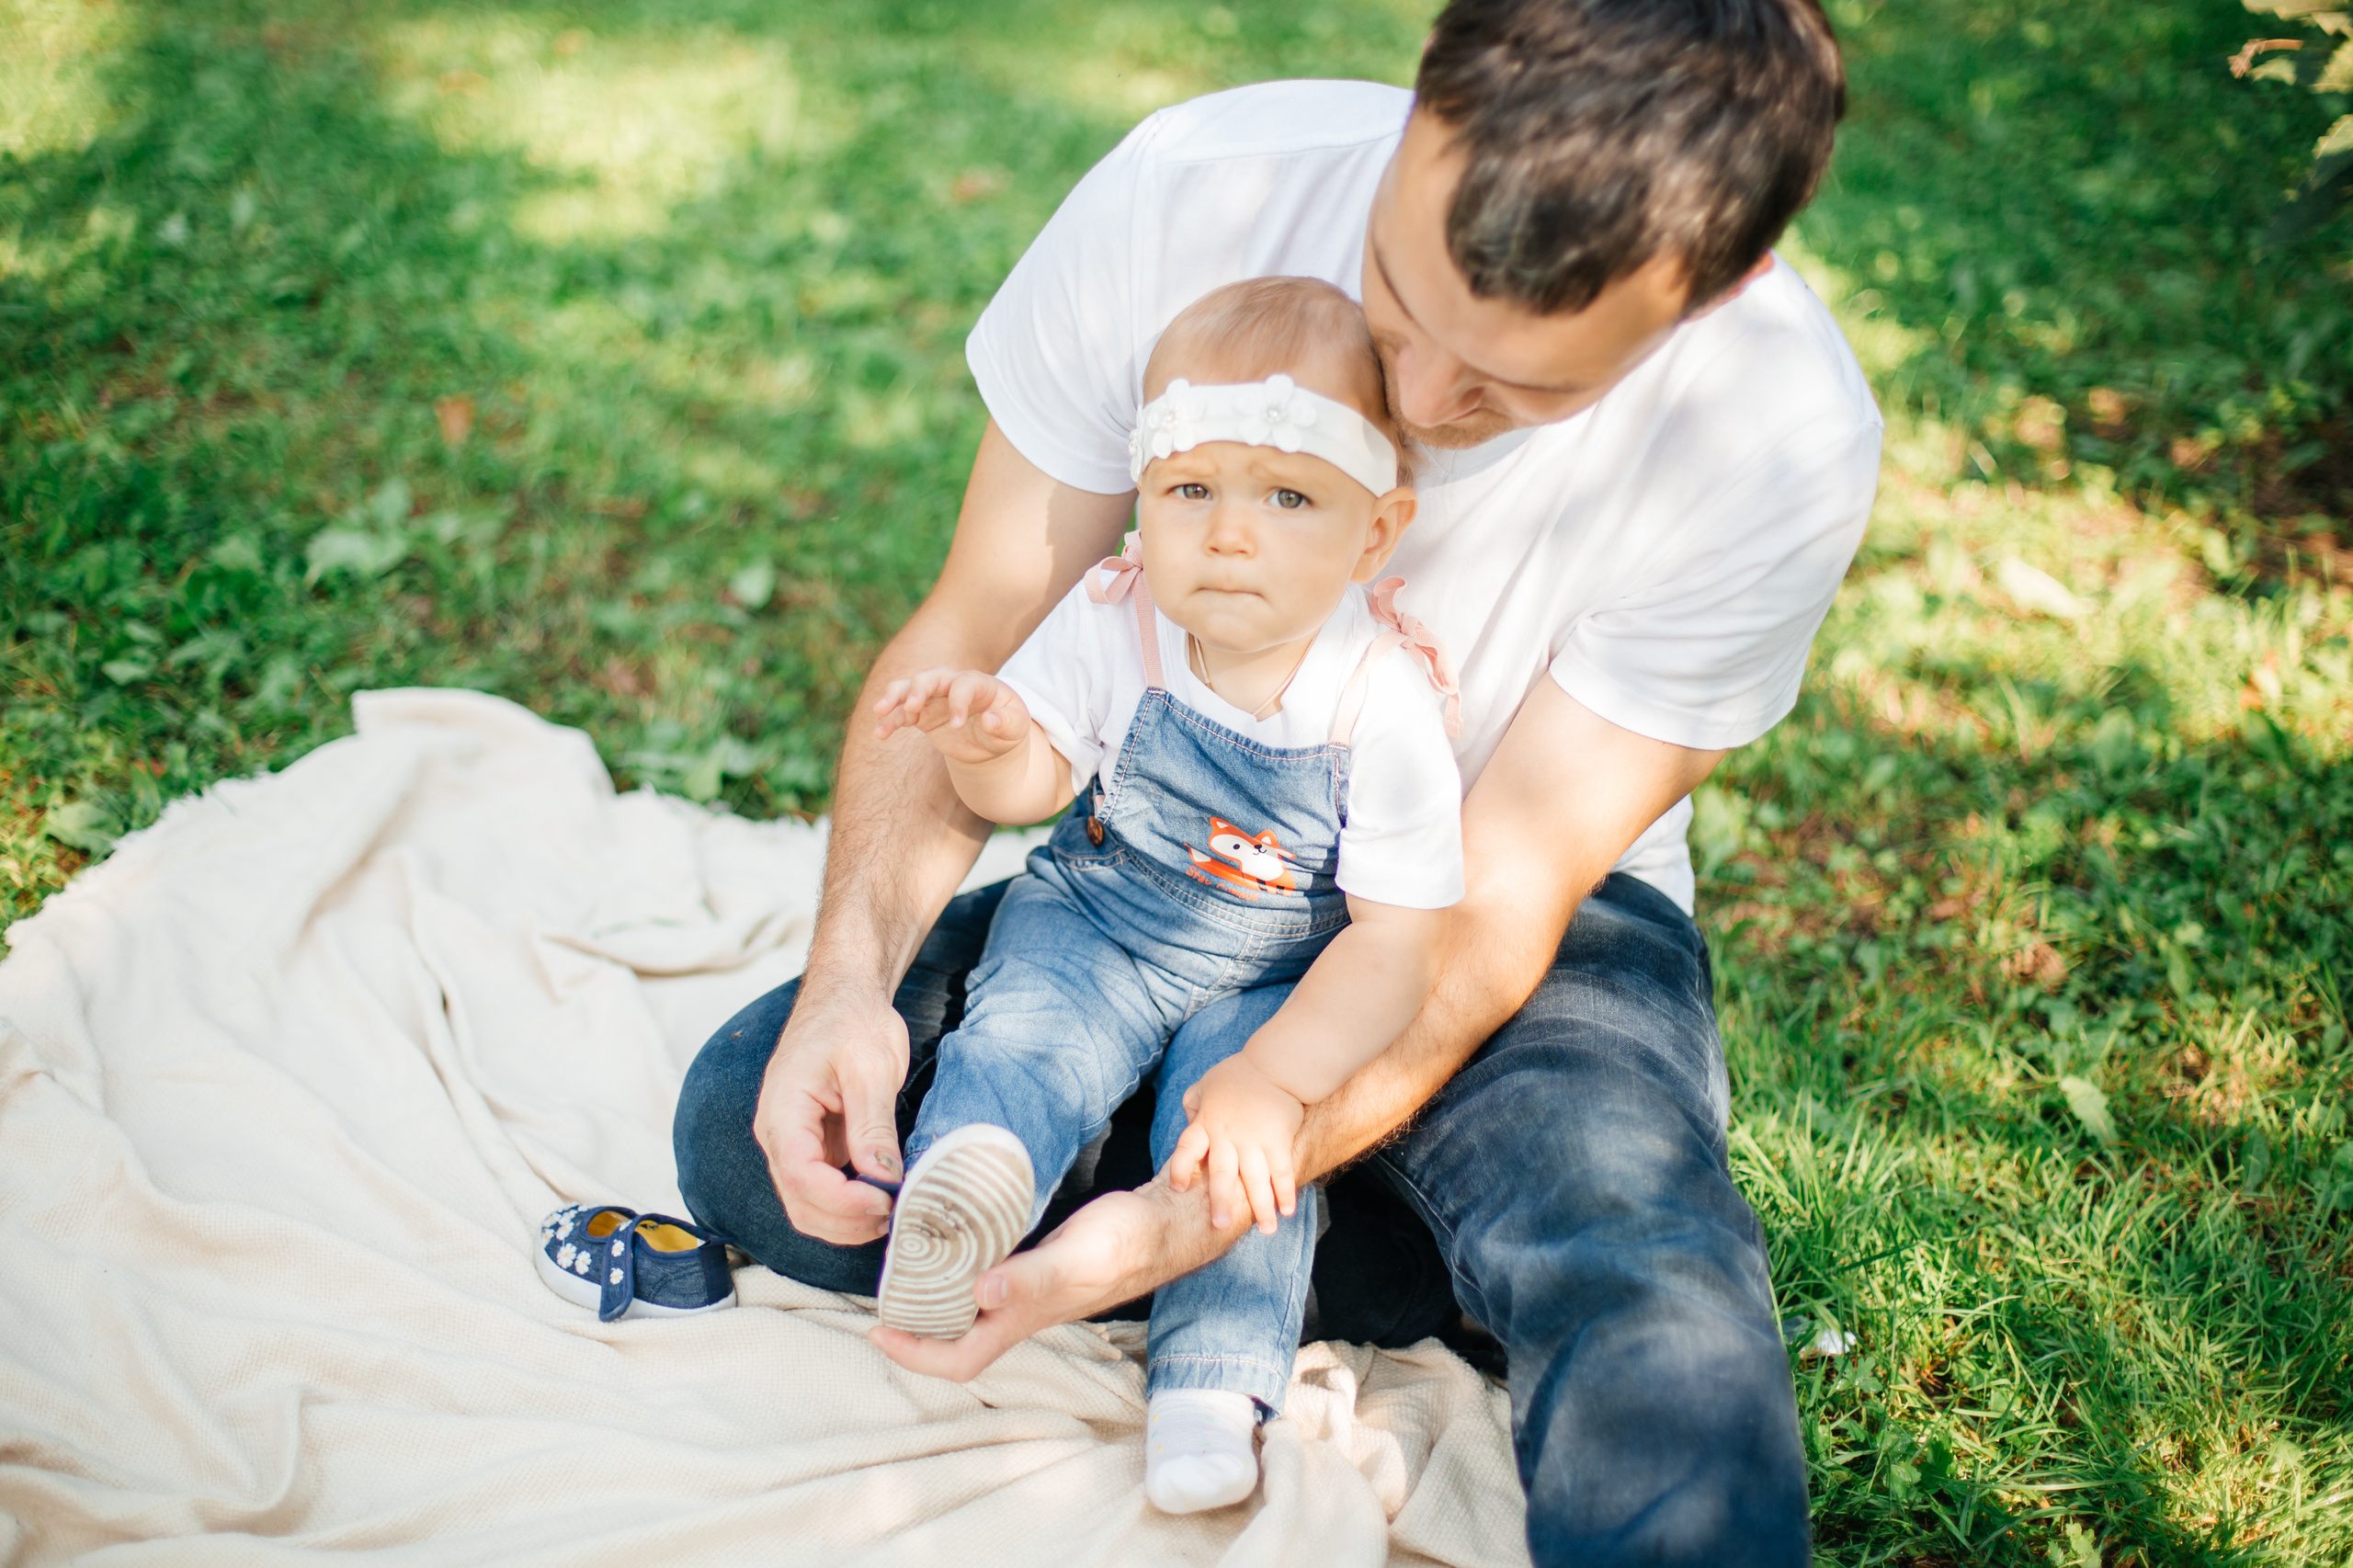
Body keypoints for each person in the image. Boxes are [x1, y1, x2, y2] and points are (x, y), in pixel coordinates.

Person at [673, 2, 1878, 1562]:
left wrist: (1206, 1194)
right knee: (753, 1137)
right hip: (1161, 872)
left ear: (1718, 289)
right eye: (1396, 294)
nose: (1419, 397)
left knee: (1634, 1261)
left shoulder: (1776, 432)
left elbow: (1499, 896)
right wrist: (850, 980)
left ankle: (1302, 1236)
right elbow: (985, 619)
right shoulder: (1198, 191)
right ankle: (1376, 1248)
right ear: (1421, 118)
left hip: (1486, 914)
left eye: (1513, 390)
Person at [863, 276, 1462, 1515]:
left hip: (1283, 970)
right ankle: (964, 1189)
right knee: (1026, 1024)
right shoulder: (1119, 618)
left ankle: (1211, 1380)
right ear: (1144, 498)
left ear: (1373, 531)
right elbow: (1039, 773)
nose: (1227, 534)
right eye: (1191, 490)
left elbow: (1398, 944)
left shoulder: (1380, 698)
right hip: (1108, 917)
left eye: (1286, 495)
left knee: (1235, 1148)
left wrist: (1282, 1075)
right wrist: (989, 739)